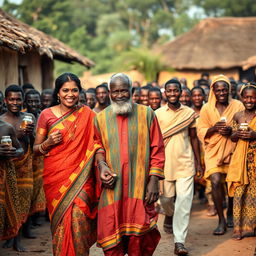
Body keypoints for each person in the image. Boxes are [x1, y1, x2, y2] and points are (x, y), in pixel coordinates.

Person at [94, 73, 165, 256]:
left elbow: (157, 148)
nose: (120, 95)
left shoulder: (147, 114)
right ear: (110, 93)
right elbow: (97, 148)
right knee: (111, 235)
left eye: (124, 90)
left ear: (131, 91)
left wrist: (154, 180)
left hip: (139, 187)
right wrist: (102, 167)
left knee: (139, 238)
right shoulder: (100, 119)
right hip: (112, 190)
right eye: (115, 91)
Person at [33, 73, 103, 256]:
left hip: (82, 179)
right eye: (65, 90)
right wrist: (47, 143)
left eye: (74, 90)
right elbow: (36, 149)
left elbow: (98, 143)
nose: (70, 94)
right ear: (58, 93)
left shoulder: (88, 114)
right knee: (61, 226)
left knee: (80, 219)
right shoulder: (46, 115)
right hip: (56, 180)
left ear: (79, 92)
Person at [155, 79, 203, 255]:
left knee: (184, 203)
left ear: (181, 92)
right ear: (165, 93)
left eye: (176, 90)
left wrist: (198, 162)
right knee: (166, 200)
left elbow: (193, 138)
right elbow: (154, 142)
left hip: (185, 163)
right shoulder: (158, 114)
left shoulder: (189, 113)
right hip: (165, 165)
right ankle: (169, 215)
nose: (173, 93)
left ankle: (179, 242)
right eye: (169, 91)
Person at [197, 75, 244, 235]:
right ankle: (221, 221)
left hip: (233, 149)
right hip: (213, 151)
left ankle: (230, 212)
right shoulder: (206, 108)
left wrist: (232, 131)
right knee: (216, 181)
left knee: (230, 183)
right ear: (213, 91)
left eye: (224, 89)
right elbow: (201, 130)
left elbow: (243, 126)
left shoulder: (238, 105)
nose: (222, 92)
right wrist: (215, 128)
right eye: (218, 90)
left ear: (229, 90)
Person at [0, 85, 35, 251]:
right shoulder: (3, 122)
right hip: (7, 166)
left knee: (23, 202)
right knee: (9, 203)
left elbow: (33, 144)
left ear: (23, 100)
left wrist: (30, 134)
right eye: (11, 99)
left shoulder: (28, 117)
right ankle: (10, 236)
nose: (15, 102)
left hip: (25, 164)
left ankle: (17, 238)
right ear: (6, 100)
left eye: (18, 99)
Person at [226, 83, 256, 240]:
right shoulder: (238, 116)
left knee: (254, 193)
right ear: (241, 98)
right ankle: (238, 228)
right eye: (246, 97)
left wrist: (254, 135)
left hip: (254, 160)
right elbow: (231, 137)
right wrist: (237, 134)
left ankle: (251, 227)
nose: (249, 100)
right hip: (240, 160)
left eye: (252, 97)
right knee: (239, 191)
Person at [0, 120, 23, 246]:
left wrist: (13, 152)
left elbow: (20, 149)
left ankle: (15, 239)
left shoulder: (6, 127)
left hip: (5, 174)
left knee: (6, 208)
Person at [25, 89, 46, 225]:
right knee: (27, 190)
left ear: (40, 103)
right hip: (26, 159)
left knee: (38, 189)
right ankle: (26, 222)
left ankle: (35, 217)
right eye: (30, 101)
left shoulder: (43, 117)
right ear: (25, 102)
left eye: (36, 101)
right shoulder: (23, 118)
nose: (33, 104)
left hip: (40, 159)